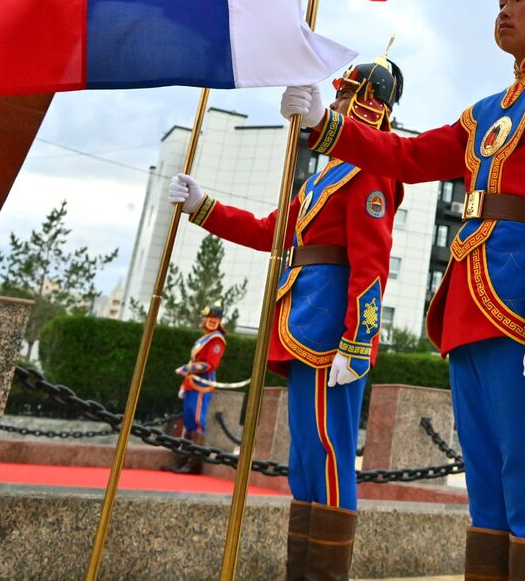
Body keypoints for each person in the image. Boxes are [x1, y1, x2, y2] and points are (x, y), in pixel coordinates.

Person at [280, 0, 525, 581]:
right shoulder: (486, 109)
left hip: (524, 304)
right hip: (469, 303)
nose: (504, 10)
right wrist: (327, 125)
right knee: (486, 490)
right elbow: (406, 155)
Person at [168, 56, 404, 581]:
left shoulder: (372, 169)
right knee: (304, 461)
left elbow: (371, 263)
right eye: (338, 94)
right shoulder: (324, 178)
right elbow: (271, 231)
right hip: (300, 321)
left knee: (328, 453)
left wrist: (358, 339)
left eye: (347, 95)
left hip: (330, 334)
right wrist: (204, 207)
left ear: (373, 104)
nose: (337, 104)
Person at [162, 303, 227, 475]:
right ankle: (182, 460)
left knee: (198, 421)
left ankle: (192, 463)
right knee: (189, 420)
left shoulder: (216, 340)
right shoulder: (204, 338)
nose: (203, 320)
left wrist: (188, 368)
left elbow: (211, 364)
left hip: (202, 384)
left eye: (206, 317)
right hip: (193, 383)